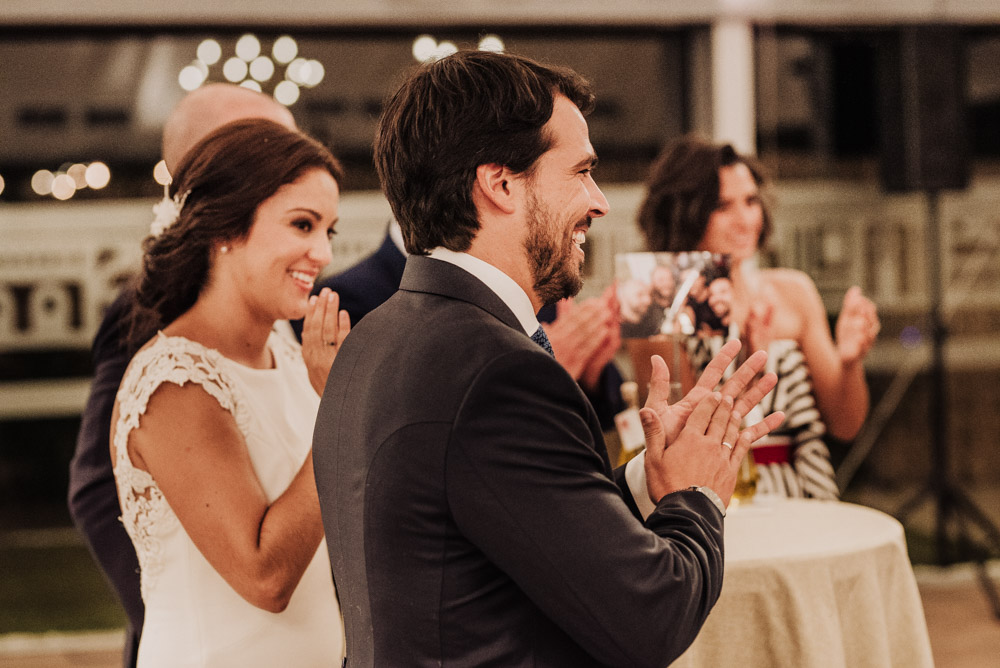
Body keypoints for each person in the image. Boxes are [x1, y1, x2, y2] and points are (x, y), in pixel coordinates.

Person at [312, 50, 784, 667]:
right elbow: (650, 620)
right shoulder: (499, 371)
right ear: (501, 183)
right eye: (581, 171)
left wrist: (653, 473)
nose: (599, 202)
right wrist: (696, 494)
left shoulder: (371, 341)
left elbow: (514, 527)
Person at [67, 83, 298, 667]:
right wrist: (192, 616)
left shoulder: (276, 304)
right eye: (266, 152)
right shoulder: (152, 313)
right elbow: (97, 488)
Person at [110, 118, 347, 666]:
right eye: (302, 224)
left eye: (327, 231)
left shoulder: (291, 351)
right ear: (226, 229)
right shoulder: (173, 383)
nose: (322, 253)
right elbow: (265, 578)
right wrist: (337, 412)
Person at [636, 134, 881, 499]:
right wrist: (750, 366)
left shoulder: (791, 291)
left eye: (751, 202)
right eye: (722, 206)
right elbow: (674, 443)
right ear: (684, 212)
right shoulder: (659, 301)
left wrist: (850, 362)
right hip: (720, 496)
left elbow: (846, 425)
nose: (744, 219)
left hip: (807, 490)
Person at [313, 218, 626, 428]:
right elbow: (394, 432)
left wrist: (592, 375)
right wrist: (537, 369)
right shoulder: (346, 298)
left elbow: (606, 407)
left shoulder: (521, 276)